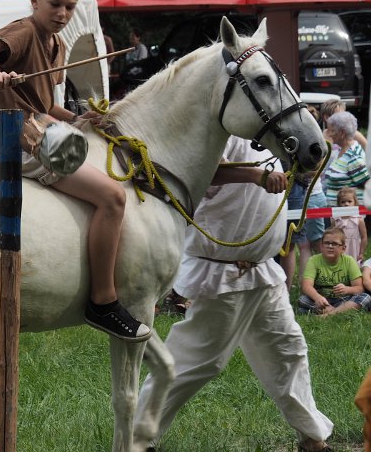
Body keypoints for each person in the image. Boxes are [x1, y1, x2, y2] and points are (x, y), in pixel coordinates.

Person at [0, 0, 149, 341]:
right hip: (17, 142)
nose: (62, 14)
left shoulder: (57, 44)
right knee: (113, 196)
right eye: (55, 4)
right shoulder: (24, 31)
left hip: (42, 131)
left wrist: (80, 118)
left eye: (69, 8)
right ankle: (103, 303)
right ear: (34, 1)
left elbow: (45, 103)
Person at [134, 136, 334, 452]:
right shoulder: (223, 124)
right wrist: (256, 176)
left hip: (263, 272)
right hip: (225, 274)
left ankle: (312, 436)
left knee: (287, 350)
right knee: (195, 361)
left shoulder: (265, 129)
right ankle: (137, 438)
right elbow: (200, 169)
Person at [298, 226, 370, 315]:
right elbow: (306, 286)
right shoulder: (313, 260)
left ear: (343, 248)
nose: (330, 246)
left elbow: (360, 288)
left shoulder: (349, 261)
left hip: (344, 299)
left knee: (365, 298)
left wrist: (347, 289)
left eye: (334, 244)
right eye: (327, 243)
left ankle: (328, 314)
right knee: (303, 299)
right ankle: (340, 311)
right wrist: (317, 298)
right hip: (322, 300)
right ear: (321, 246)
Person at [323, 111, 369, 206]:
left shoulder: (352, 157)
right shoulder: (340, 150)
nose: (329, 134)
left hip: (350, 218)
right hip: (339, 217)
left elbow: (367, 184)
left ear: (342, 133)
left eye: (332, 130)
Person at [332, 186, 366, 266]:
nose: (346, 204)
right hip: (340, 249)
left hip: (354, 250)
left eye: (349, 201)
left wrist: (361, 253)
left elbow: (364, 237)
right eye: (343, 202)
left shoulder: (359, 220)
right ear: (339, 204)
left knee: (353, 269)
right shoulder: (336, 219)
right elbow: (332, 236)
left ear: (355, 202)